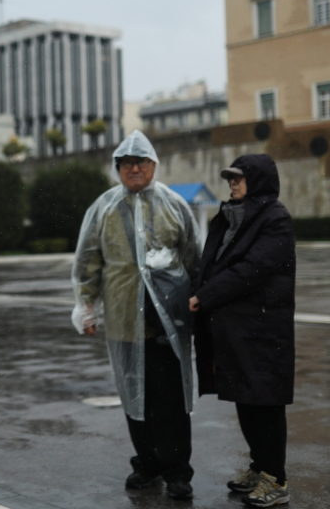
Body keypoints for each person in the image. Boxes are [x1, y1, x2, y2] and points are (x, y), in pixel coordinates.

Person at [71, 130, 201, 501]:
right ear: (117, 169)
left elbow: (193, 257)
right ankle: (147, 463)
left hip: (169, 323)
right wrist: (86, 306)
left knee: (172, 399)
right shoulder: (104, 208)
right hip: (125, 318)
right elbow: (88, 261)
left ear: (154, 165)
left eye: (141, 161)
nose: (134, 168)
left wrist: (199, 300)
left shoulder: (175, 205)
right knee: (135, 396)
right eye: (126, 163)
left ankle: (178, 470)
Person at [190, 154, 295, 508]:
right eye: (229, 178)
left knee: (266, 402)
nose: (232, 183)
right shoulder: (231, 217)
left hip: (263, 329)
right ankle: (258, 466)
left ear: (259, 180)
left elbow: (252, 269)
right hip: (233, 327)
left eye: (239, 178)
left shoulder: (275, 218)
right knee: (246, 398)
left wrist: (203, 296)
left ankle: (275, 478)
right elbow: (213, 263)